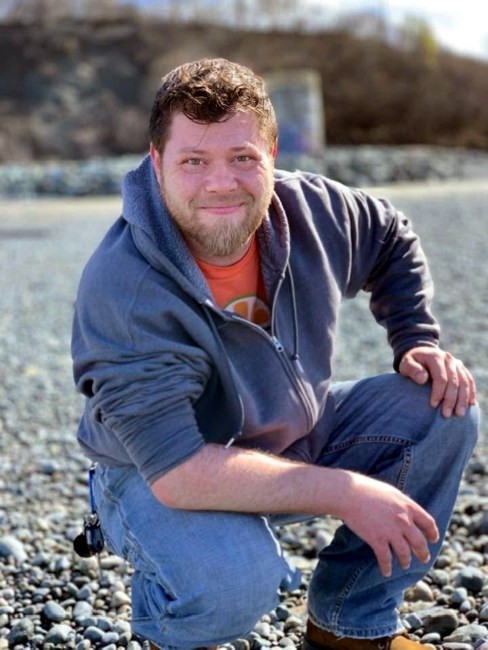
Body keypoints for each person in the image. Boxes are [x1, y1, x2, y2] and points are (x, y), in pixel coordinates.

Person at [71, 58, 479, 650]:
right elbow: (179, 473)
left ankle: (350, 628)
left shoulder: (312, 210)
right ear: (156, 163)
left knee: (443, 405)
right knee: (235, 584)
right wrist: (343, 491)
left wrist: (416, 337)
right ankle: (168, 629)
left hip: (293, 432)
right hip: (157, 471)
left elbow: (391, 238)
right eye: (193, 161)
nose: (221, 182)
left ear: (271, 152)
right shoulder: (125, 289)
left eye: (242, 158)